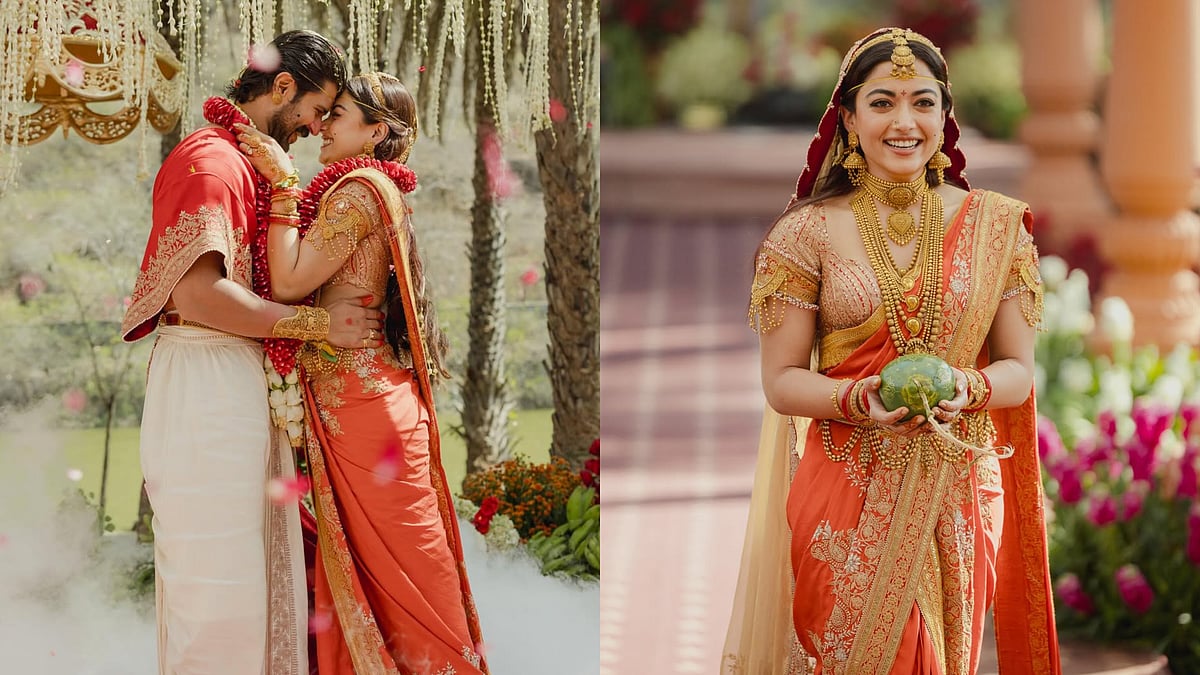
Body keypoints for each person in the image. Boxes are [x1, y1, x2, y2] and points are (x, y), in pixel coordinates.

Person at [721, 28, 1060, 674]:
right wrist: (858, 397)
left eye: (922, 102)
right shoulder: (805, 234)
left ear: (944, 115)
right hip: (845, 491)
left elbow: (1019, 371)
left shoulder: (997, 229)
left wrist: (966, 387)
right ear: (849, 118)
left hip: (954, 491)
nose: (904, 122)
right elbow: (782, 380)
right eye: (882, 103)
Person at [120, 30, 384, 675]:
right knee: (219, 590)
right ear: (282, 86)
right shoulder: (211, 162)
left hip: (229, 374)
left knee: (253, 580)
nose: (317, 128)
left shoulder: (247, 163)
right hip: (205, 375)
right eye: (316, 110)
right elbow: (198, 295)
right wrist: (317, 325)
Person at [232, 72, 487, 674]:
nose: (321, 125)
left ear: (376, 132)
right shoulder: (370, 187)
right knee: (399, 581)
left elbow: (290, 281)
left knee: (408, 587)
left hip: (364, 411)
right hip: (368, 403)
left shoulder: (356, 193)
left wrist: (284, 186)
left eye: (338, 114)